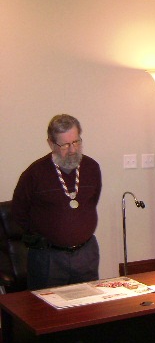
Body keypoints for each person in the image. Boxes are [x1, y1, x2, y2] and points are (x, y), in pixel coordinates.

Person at [12, 114, 102, 289]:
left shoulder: (91, 168)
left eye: (76, 142)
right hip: (48, 257)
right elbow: (19, 212)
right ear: (51, 144)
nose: (73, 149)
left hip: (86, 254)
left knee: (88, 303)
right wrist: (47, 234)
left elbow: (92, 201)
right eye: (65, 145)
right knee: (45, 305)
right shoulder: (35, 173)